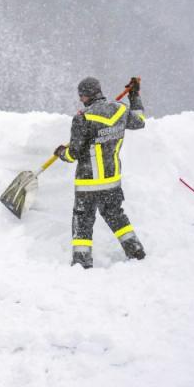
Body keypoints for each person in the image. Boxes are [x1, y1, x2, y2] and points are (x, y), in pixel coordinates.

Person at [54, 76, 147, 269]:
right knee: (116, 216)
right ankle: (135, 250)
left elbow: (73, 154)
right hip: (111, 181)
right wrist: (134, 95)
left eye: (81, 96)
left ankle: (82, 262)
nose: (80, 99)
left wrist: (62, 153)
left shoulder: (82, 117)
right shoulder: (121, 109)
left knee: (83, 221)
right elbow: (140, 121)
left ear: (86, 95)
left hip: (87, 184)